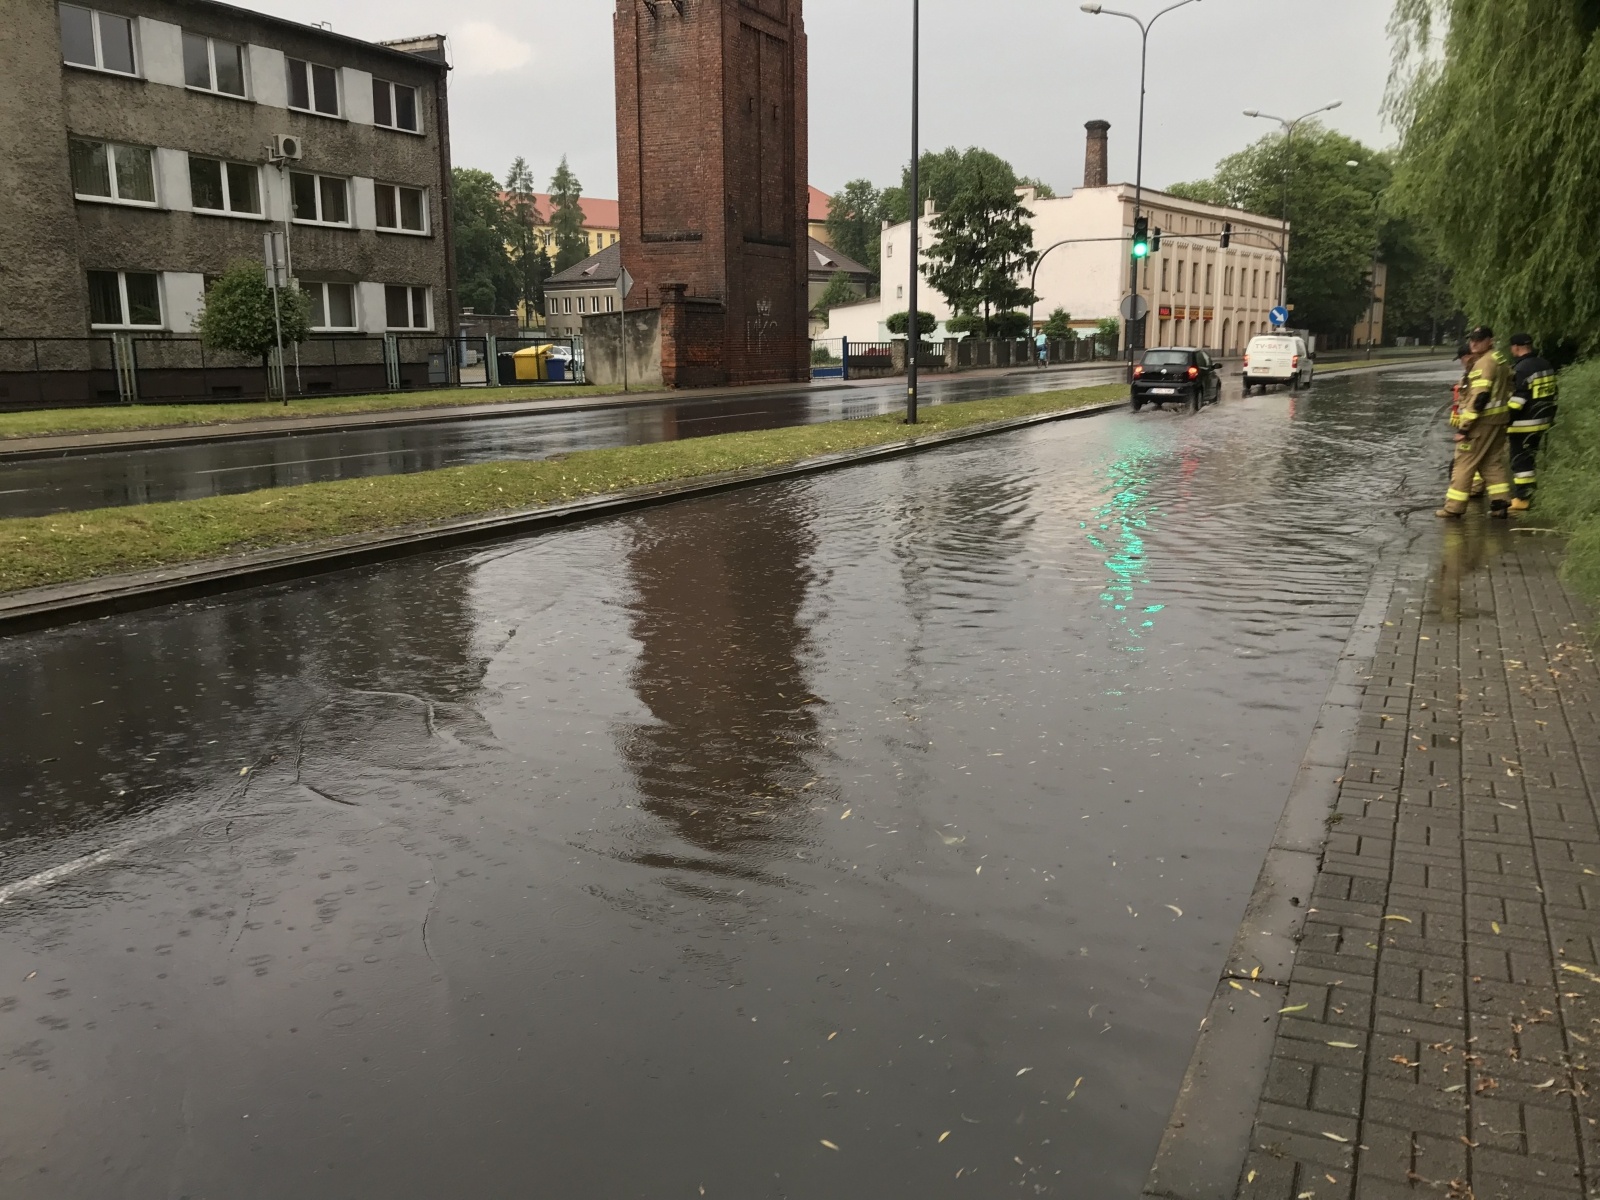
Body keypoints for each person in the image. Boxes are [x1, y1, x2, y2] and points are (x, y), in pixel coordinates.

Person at [1438, 325, 1513, 519]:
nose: (1474, 343)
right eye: (1472, 339)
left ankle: (1453, 508)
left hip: (1481, 423)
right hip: (1499, 420)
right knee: (1491, 462)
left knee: (1463, 463)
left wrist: (1464, 428)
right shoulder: (1500, 359)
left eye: (1479, 340)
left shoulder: (1484, 363)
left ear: (1490, 340)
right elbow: (1511, 383)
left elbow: (1480, 398)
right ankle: (1500, 503)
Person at [1506, 333, 1559, 512]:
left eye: (1511, 347)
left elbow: (1518, 400)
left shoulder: (1521, 369)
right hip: (1543, 420)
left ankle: (1522, 499)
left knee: (1520, 462)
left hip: (1524, 423)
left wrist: (1505, 420)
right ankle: (1529, 493)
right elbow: (1553, 392)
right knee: (1529, 458)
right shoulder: (1545, 364)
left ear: (1516, 347)